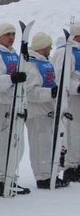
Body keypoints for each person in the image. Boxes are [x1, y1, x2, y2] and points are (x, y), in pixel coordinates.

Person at [0, 23, 30, 196]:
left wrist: (23, 103)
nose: (11, 37)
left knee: (16, 143)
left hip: (12, 104)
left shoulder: (13, 54)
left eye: (13, 34)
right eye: (8, 34)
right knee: (0, 143)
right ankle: (0, 180)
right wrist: (10, 79)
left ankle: (10, 176)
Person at [25, 33, 67, 188]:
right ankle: (42, 177)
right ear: (42, 46)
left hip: (47, 110)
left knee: (48, 144)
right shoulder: (31, 64)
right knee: (39, 145)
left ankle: (50, 174)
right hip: (37, 113)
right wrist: (51, 93)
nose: (51, 48)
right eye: (49, 45)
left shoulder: (44, 62)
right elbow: (30, 92)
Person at [52, 22, 80, 182]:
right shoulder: (66, 51)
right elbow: (61, 77)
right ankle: (71, 166)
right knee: (72, 132)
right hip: (71, 99)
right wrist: (77, 87)